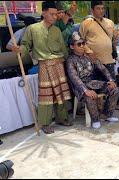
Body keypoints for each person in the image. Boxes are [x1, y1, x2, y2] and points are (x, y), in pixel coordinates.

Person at [11, 1, 72, 134]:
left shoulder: (57, 30)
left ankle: (62, 118)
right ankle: (45, 123)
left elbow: (63, 48)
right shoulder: (32, 28)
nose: (55, 17)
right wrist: (19, 49)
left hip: (59, 64)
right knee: (46, 95)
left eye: (56, 14)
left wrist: (69, 61)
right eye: (52, 14)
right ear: (43, 13)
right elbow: (26, 45)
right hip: (44, 65)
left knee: (60, 93)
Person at [66, 32, 119, 129]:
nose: (82, 46)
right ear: (71, 46)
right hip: (80, 87)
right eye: (79, 44)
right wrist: (85, 90)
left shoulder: (89, 56)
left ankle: (107, 114)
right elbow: (74, 78)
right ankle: (95, 119)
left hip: (93, 83)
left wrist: (111, 80)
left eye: (83, 43)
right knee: (89, 97)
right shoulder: (70, 60)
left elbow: (103, 68)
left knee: (115, 89)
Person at [79, 1, 118, 79]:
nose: (101, 11)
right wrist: (89, 52)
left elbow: (116, 37)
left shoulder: (110, 22)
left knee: (112, 86)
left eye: (103, 8)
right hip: (93, 61)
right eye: (98, 8)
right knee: (97, 86)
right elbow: (80, 40)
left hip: (108, 60)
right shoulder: (86, 23)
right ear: (92, 10)